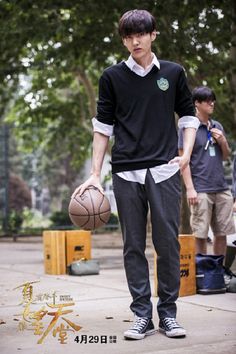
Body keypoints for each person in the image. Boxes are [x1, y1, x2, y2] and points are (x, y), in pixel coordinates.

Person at [74, 9, 199, 340]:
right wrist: (95, 174)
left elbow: (188, 117)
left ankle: (168, 314)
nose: (134, 41)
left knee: (167, 245)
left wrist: (185, 154)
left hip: (164, 171)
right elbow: (102, 129)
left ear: (153, 34)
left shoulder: (172, 73)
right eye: (128, 37)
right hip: (126, 172)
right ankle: (141, 314)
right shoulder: (112, 77)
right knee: (132, 246)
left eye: (140, 34)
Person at [178, 86, 235, 261]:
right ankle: (202, 271)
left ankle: (219, 272)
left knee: (222, 233)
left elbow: (225, 156)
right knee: (200, 234)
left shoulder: (217, 126)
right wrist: (190, 189)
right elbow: (183, 161)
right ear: (197, 103)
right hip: (200, 189)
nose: (212, 103)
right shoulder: (187, 128)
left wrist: (223, 141)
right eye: (207, 100)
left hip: (221, 188)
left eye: (213, 99)